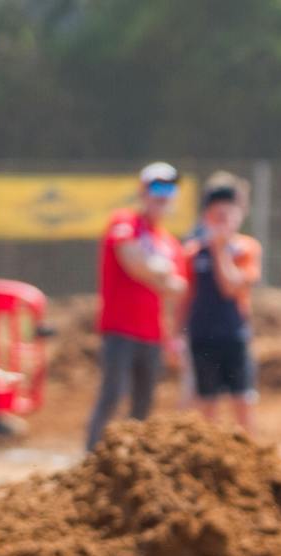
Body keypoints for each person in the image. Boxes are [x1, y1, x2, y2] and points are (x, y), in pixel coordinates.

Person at [85, 163, 186, 450]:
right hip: (119, 328)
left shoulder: (168, 242)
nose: (163, 196)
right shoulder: (124, 222)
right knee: (112, 396)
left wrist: (151, 269)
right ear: (143, 191)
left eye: (169, 189)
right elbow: (132, 262)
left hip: (153, 334)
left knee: (144, 403)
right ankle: (92, 458)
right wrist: (157, 272)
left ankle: (133, 461)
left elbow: (178, 288)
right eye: (157, 188)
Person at [179, 174, 262, 433]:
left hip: (233, 334)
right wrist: (175, 335)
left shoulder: (246, 249)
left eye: (228, 215)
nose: (223, 222)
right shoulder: (193, 252)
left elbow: (231, 287)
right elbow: (185, 296)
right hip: (202, 336)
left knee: (243, 400)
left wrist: (220, 250)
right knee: (206, 403)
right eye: (217, 215)